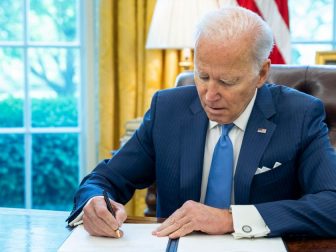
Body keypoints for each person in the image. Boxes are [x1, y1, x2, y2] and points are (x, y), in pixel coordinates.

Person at [67, 6, 336, 239]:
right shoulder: (168, 109)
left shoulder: (299, 115)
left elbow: (331, 205)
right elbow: (105, 179)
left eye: (227, 82)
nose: (209, 95)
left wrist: (231, 219)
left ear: (262, 73)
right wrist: (94, 202)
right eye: (202, 76)